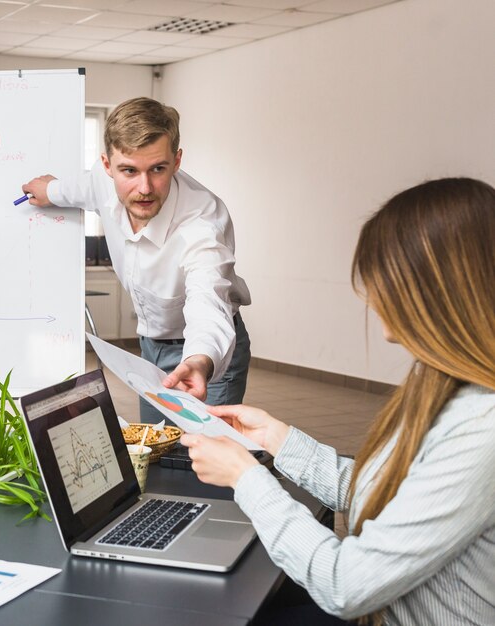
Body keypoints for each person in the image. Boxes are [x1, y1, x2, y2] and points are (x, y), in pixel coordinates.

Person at [181, 177, 495, 626]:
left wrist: (246, 478)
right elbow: (385, 488)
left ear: (435, 292)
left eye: (384, 286)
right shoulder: (443, 383)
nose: (375, 306)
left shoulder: (482, 429)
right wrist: (276, 437)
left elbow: (344, 586)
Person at [22, 97, 251, 423]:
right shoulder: (102, 182)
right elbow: (82, 188)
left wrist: (199, 360)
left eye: (158, 169)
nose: (144, 188)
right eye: (128, 170)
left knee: (205, 458)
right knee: (155, 450)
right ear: (107, 165)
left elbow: (208, 298)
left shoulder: (204, 219)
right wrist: (51, 191)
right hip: (149, 351)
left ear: (177, 160)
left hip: (206, 355)